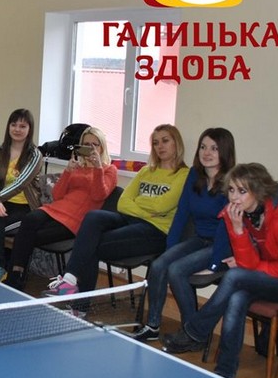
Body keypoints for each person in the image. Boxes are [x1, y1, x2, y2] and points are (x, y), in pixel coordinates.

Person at [162, 163, 278, 378]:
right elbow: (248, 262)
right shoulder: (236, 215)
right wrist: (238, 229)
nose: (234, 197)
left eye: (242, 191)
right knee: (237, 297)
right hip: (267, 278)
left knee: (235, 276)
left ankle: (195, 331)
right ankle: (226, 371)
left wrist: (248, 267)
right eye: (231, 190)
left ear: (258, 191)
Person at [48, 124, 189, 295]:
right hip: (131, 220)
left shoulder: (184, 175)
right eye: (155, 143)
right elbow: (123, 203)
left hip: (156, 230)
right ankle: (70, 280)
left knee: (91, 244)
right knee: (93, 217)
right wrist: (148, 209)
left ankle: (76, 299)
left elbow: (161, 206)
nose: (160, 146)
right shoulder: (146, 171)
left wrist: (138, 203)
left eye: (165, 141)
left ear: (176, 143)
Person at [131, 128, 236, 342]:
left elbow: (227, 229)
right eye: (203, 147)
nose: (207, 153)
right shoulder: (194, 175)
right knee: (160, 265)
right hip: (199, 240)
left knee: (177, 270)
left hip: (223, 246)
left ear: (224, 152)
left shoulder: (232, 183)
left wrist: (214, 264)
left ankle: (192, 334)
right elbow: (181, 214)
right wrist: (170, 251)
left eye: (214, 148)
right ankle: (152, 326)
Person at [5, 126, 118, 291]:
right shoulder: (77, 167)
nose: (91, 148)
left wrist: (98, 168)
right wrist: (68, 171)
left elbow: (98, 195)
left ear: (102, 147)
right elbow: (57, 195)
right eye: (87, 144)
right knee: (29, 220)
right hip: (56, 209)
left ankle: (16, 276)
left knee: (31, 236)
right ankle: (15, 275)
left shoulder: (109, 170)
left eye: (95, 144)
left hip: (76, 219)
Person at [0, 108, 44, 281]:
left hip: (25, 206)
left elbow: (20, 184)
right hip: (2, 202)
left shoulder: (35, 155)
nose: (17, 129)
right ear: (8, 127)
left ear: (30, 129)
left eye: (22, 126)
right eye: (14, 125)